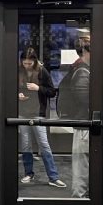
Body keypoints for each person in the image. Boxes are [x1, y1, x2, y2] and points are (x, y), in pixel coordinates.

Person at [17, 47, 66, 188]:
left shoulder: (42, 71)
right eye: (24, 63)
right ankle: (28, 173)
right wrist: (18, 95)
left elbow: (52, 91)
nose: (26, 65)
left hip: (38, 112)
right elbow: (11, 88)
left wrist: (38, 88)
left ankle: (53, 176)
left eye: (29, 63)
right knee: (25, 144)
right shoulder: (18, 71)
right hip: (22, 112)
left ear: (34, 61)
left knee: (43, 144)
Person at [57, 34, 91, 198]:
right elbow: (85, 99)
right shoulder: (83, 71)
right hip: (84, 122)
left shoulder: (80, 68)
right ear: (85, 51)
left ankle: (82, 195)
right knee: (82, 165)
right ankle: (79, 198)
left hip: (84, 122)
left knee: (84, 164)